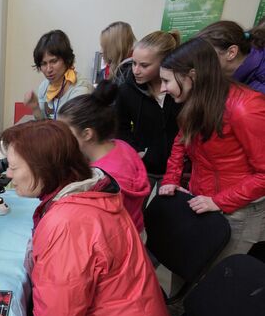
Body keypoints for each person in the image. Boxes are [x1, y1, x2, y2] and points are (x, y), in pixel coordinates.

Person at [5, 120, 171, 316]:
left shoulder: (68, 222)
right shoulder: (92, 190)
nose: (8, 176)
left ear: (42, 169)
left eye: (13, 168)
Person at [158, 37, 265, 264]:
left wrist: (219, 201)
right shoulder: (196, 99)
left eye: (166, 80)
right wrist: (171, 178)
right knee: (186, 266)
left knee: (213, 283)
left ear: (193, 76)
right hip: (202, 199)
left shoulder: (245, 108)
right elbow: (181, 141)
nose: (162, 88)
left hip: (236, 212)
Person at [59, 80, 150, 235]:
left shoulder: (103, 181)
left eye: (64, 132)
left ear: (87, 134)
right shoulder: (121, 146)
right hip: (135, 230)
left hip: (118, 241)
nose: (59, 137)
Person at [115, 30, 182, 178]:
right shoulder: (127, 91)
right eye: (134, 63)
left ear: (165, 62)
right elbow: (120, 127)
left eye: (144, 65)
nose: (136, 71)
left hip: (179, 172)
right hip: (145, 170)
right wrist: (135, 151)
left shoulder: (181, 89)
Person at [23, 30, 93, 120]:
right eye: (44, 64)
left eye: (54, 61)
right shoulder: (44, 87)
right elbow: (42, 123)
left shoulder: (81, 89)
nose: (49, 69)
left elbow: (73, 130)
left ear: (66, 59)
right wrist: (35, 108)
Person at [195, 20, 265, 93]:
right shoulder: (229, 78)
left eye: (206, 55)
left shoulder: (259, 88)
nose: (199, 63)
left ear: (231, 52)